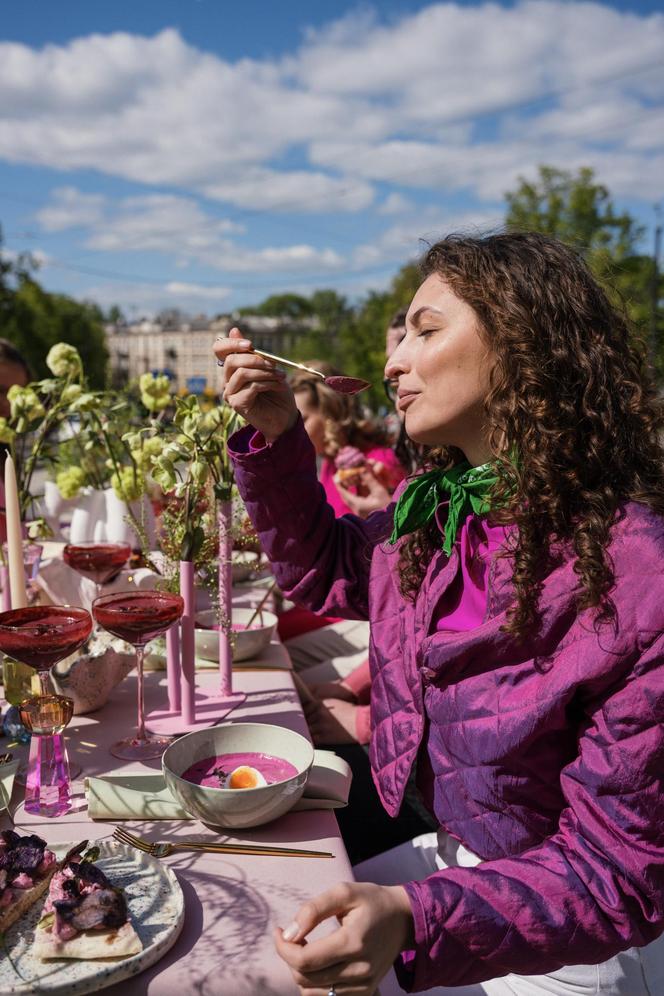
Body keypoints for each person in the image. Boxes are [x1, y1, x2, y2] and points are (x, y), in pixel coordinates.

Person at [215, 231, 664, 995]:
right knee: (248, 933)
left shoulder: (636, 571)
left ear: (525, 342)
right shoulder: (436, 514)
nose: (391, 362)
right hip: (456, 860)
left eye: (426, 330)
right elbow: (323, 568)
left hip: (571, 938)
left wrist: (416, 918)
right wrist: (279, 436)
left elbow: (620, 872)